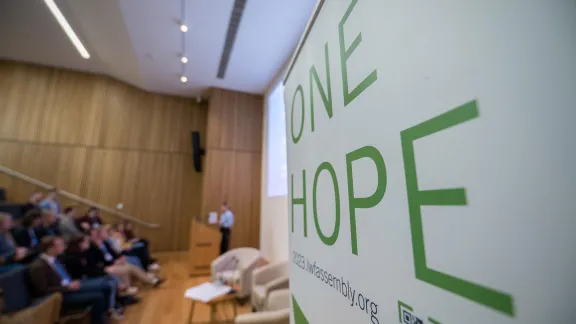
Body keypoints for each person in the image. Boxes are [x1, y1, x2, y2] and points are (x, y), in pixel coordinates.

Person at [27, 236, 121, 323]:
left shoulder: (56, 259)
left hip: (71, 285)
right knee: (99, 296)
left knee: (106, 286)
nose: (63, 247)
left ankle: (107, 315)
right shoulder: (38, 267)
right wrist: (68, 288)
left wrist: (72, 283)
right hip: (61, 295)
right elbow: (43, 290)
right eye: (60, 245)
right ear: (50, 248)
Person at [86, 228, 163, 289]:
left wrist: (119, 259)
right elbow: (100, 262)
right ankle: (148, 281)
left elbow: (113, 254)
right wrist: (114, 262)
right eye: (94, 235)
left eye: (97, 234)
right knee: (128, 267)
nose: (96, 236)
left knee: (131, 263)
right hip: (106, 267)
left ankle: (149, 280)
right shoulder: (92, 248)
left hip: (112, 263)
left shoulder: (104, 243)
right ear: (90, 237)